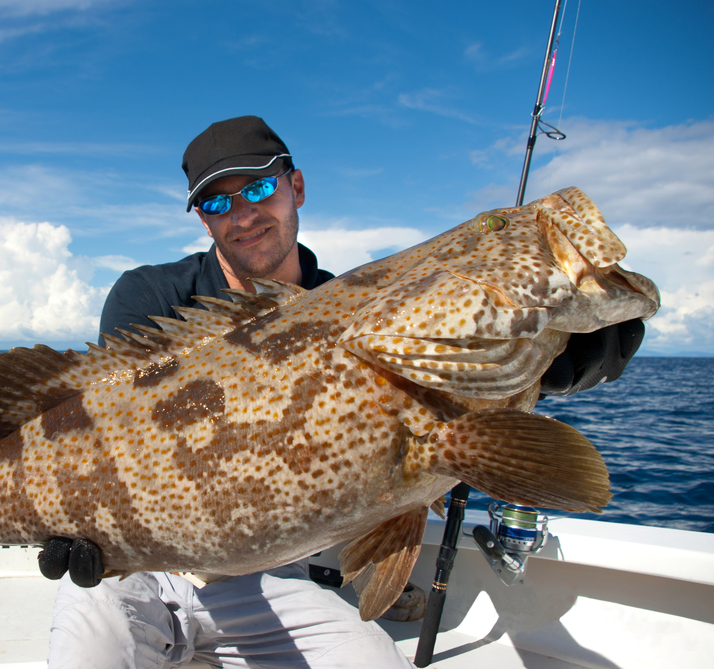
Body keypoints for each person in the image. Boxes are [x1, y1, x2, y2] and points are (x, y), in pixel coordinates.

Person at [42, 116, 644, 668]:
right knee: (90, 651)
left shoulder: (362, 303)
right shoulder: (149, 299)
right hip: (133, 568)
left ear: (296, 186)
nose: (243, 214)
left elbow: (463, 369)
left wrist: (561, 355)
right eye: (218, 203)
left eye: (258, 189)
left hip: (270, 575)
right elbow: (104, 432)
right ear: (203, 219)